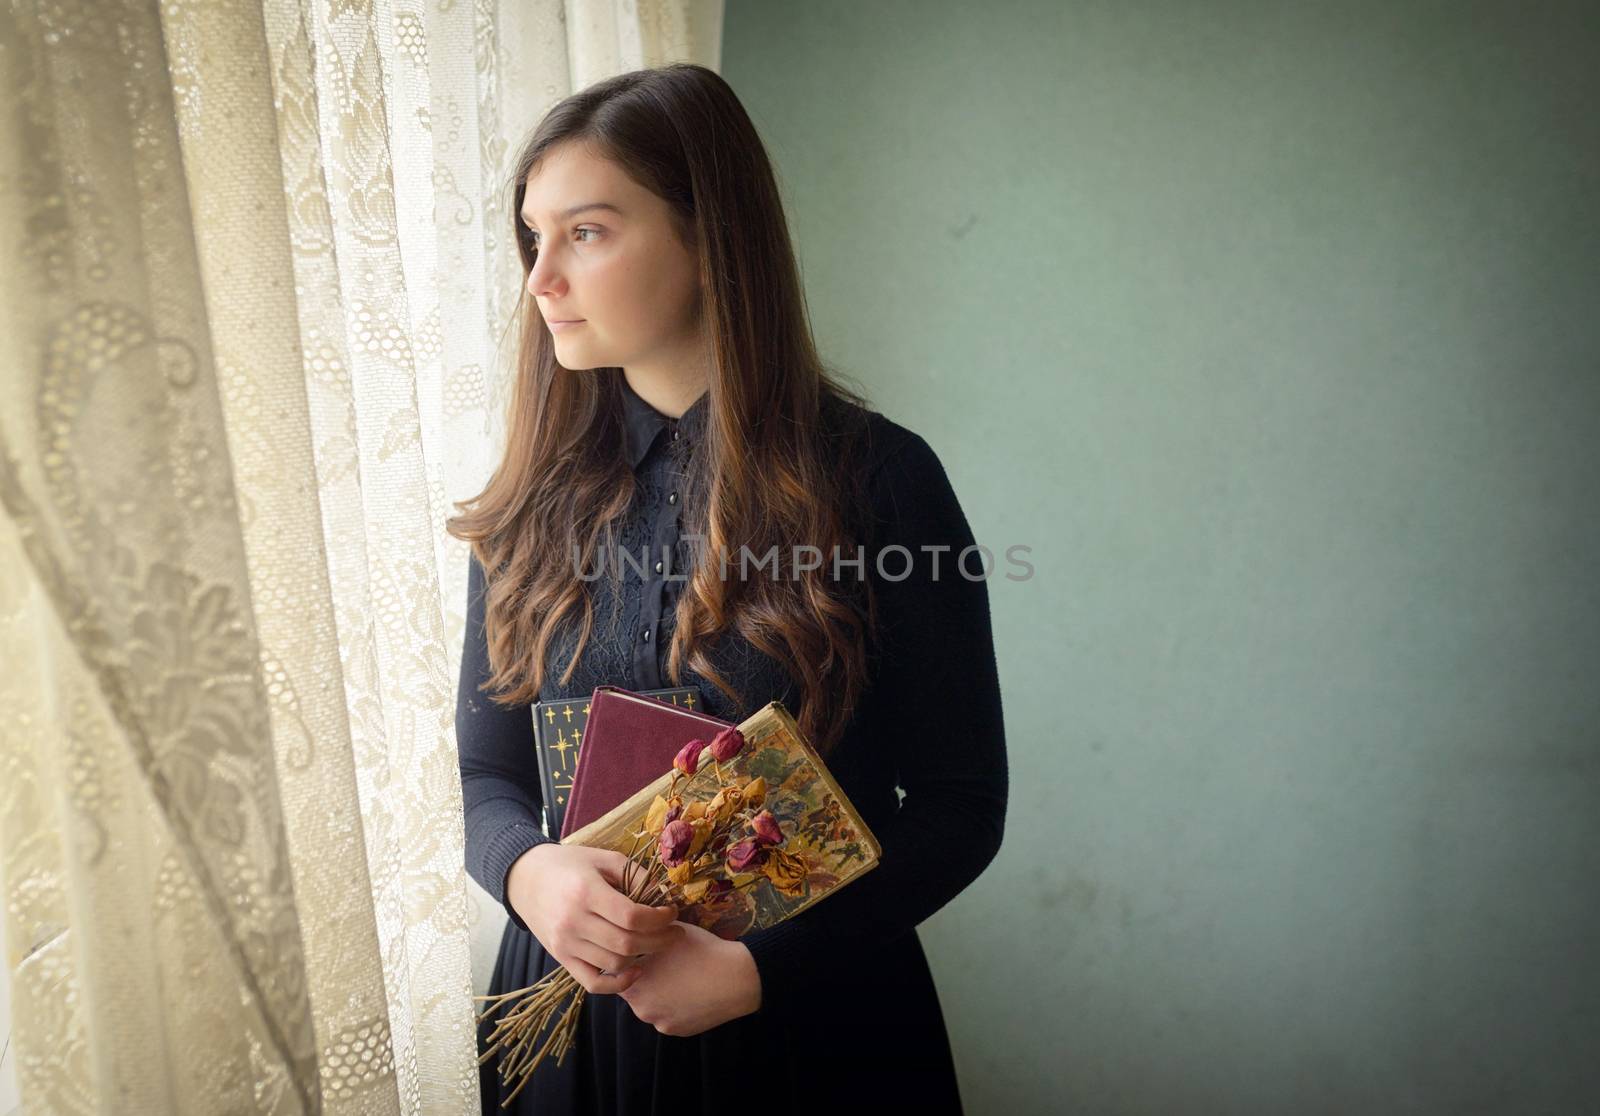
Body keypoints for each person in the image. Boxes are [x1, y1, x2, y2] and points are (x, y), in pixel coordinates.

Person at [451, 63, 1008, 1115]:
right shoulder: (526, 500)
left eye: (588, 232)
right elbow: (487, 776)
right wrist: (532, 878)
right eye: (534, 236)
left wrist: (763, 969)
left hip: (816, 1032)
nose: (540, 280)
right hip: (564, 1033)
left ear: (709, 240)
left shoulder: (881, 480)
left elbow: (960, 806)